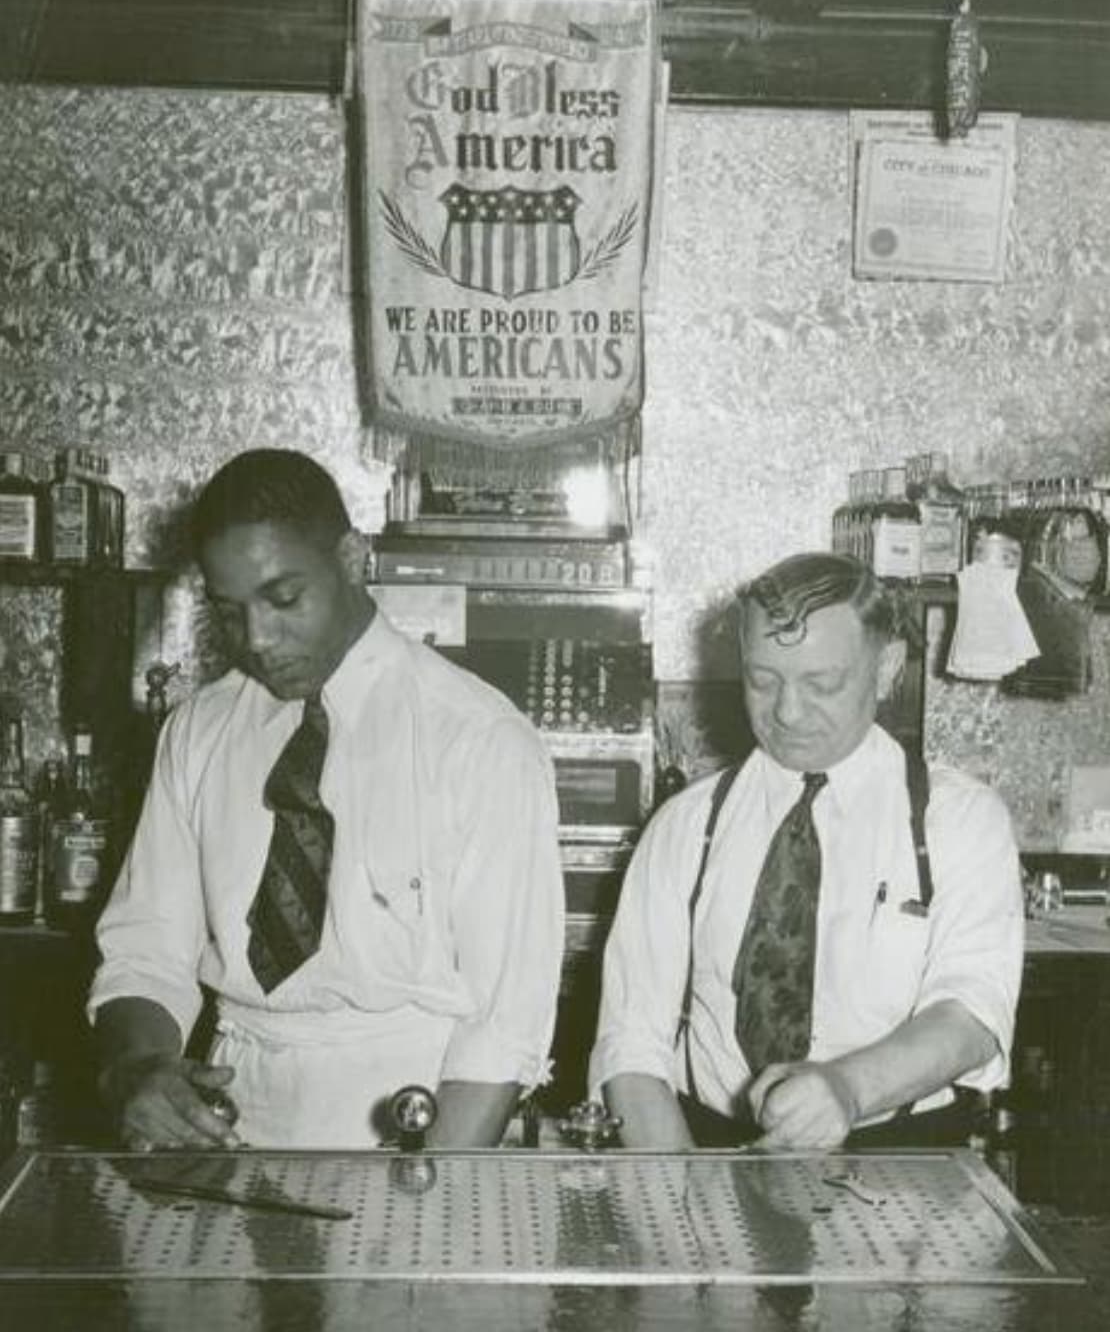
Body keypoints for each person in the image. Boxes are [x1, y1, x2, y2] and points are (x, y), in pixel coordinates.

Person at [89, 448, 564, 1151]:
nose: (257, 639)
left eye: (284, 599)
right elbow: (145, 949)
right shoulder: (198, 730)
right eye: (230, 612)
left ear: (350, 556)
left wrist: (426, 1194)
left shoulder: (478, 739)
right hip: (226, 1117)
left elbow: (502, 1026)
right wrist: (140, 1068)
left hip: (416, 1119)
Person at [589, 551, 1024, 1150]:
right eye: (763, 681)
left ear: (888, 668)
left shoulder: (959, 820)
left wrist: (846, 1089)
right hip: (710, 1151)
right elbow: (632, 1040)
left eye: (822, 684)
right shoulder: (685, 827)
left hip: (902, 1166)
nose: (788, 713)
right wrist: (679, 1198)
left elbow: (972, 1011)